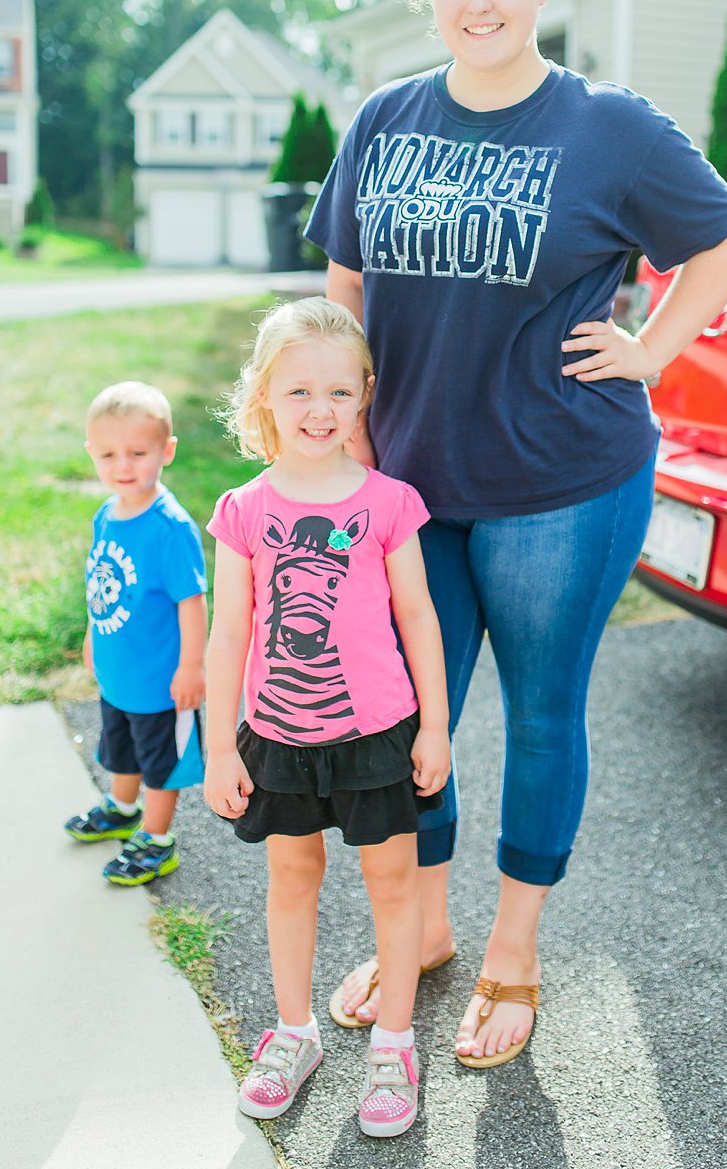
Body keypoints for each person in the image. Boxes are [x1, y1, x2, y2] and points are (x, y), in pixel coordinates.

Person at [309, 0, 727, 1067]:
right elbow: (344, 274)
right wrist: (341, 409)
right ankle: (428, 933)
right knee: (408, 719)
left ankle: (514, 947)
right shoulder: (385, 120)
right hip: (409, 482)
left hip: (563, 480)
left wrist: (652, 351)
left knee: (543, 714)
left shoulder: (609, 129)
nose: (479, 3)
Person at [202, 299, 451, 1136]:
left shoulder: (389, 503)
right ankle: (296, 1033)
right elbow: (230, 632)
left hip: (377, 734)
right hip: (276, 737)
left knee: (392, 883)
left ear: (365, 397)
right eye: (300, 391)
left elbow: (419, 618)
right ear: (264, 395)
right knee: (291, 881)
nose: (320, 410)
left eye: (340, 394)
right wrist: (218, 747)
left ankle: (393, 1045)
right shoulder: (241, 510)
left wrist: (435, 726)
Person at [63, 382, 208, 886]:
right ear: (91, 455)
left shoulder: (169, 528)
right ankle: (123, 807)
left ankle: (156, 839)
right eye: (108, 454)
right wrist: (91, 635)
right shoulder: (107, 514)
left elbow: (192, 603)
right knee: (120, 748)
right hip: (119, 674)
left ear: (166, 451)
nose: (123, 465)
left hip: (162, 683)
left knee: (161, 763)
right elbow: (100, 584)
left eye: (138, 453)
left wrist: (192, 667)